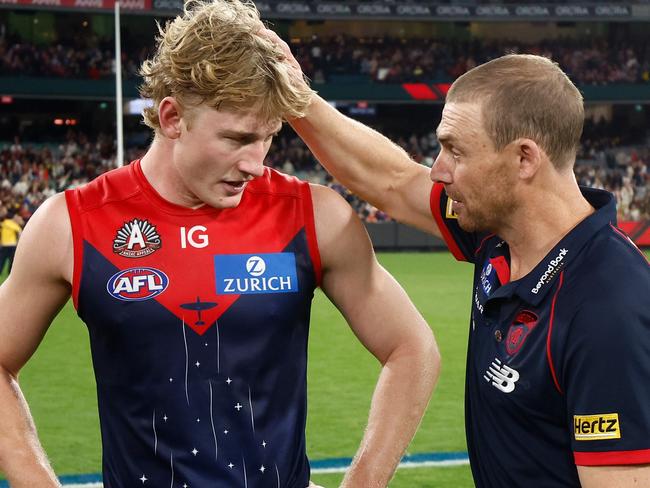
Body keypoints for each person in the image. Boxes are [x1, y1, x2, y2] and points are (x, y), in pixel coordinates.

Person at [0, 2, 440, 487]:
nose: (255, 162)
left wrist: (362, 483)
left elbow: (412, 347)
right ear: (171, 117)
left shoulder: (314, 216)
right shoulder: (72, 223)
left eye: (268, 138)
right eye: (237, 138)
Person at [267, 38, 650, 488]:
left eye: (456, 151)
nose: (437, 170)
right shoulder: (496, 231)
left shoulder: (608, 308)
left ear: (524, 158)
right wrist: (299, 98)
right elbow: (392, 180)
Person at [0, 209, 22, 275]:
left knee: (2, 260)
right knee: (11, 260)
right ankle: (10, 273)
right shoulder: (14, 225)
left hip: (4, 245)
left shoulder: (3, 223)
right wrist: (18, 242)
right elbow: (20, 232)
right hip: (12, 245)